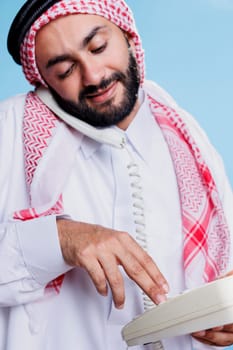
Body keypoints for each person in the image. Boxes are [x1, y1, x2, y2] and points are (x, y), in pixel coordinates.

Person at [0, 0, 232, 349]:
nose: (93, 76)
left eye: (98, 47)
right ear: (44, 82)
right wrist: (60, 240)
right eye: (64, 71)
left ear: (127, 35)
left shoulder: (187, 136)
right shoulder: (11, 130)